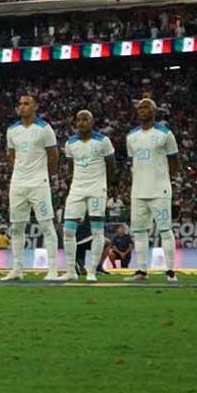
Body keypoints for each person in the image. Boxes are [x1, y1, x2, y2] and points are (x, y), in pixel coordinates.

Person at [4, 94, 60, 281]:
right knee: (17, 227)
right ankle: (17, 269)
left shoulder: (44, 129)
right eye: (20, 104)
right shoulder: (12, 130)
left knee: (46, 224)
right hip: (18, 184)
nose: (23, 107)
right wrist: (21, 171)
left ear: (35, 106)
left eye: (26, 104)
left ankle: (52, 269)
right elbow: (12, 155)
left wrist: (44, 175)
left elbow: (53, 155)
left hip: (38, 184)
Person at [126, 98, 180, 282]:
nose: (142, 110)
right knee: (139, 232)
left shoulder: (165, 133)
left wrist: (164, 179)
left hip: (159, 190)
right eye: (140, 108)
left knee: (165, 230)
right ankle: (141, 271)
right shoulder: (131, 136)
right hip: (138, 191)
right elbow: (133, 162)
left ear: (154, 111)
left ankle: (171, 271)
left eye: (146, 107)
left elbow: (174, 162)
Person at [61, 111, 116, 282]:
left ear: (92, 122)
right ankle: (71, 270)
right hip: (77, 189)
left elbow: (111, 165)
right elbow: (71, 166)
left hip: (96, 189)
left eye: (85, 119)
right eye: (78, 119)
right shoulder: (70, 143)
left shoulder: (103, 141)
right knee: (68, 230)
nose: (81, 122)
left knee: (97, 231)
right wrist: (75, 183)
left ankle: (92, 271)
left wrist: (106, 186)